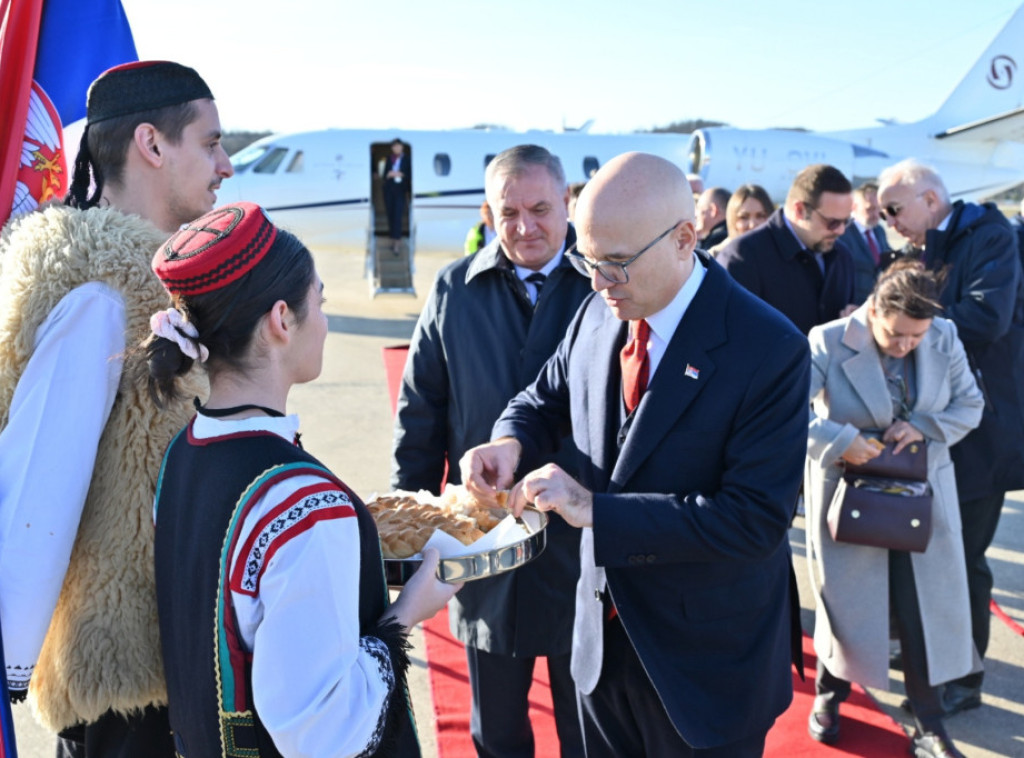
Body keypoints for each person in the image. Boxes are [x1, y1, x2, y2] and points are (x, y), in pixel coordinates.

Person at [462, 152, 810, 757]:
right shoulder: (600, 309)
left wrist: (595, 509)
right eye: (588, 261)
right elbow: (544, 397)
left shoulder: (770, 348)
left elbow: (753, 520)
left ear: (684, 239)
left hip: (701, 665)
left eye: (616, 264)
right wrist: (508, 441)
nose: (598, 282)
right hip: (600, 645)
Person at [146, 202, 457, 757]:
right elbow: (322, 735)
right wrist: (408, 611)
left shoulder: (182, 454)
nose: (327, 321)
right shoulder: (308, 507)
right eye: (321, 301)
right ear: (282, 320)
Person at [0, 60, 233, 756]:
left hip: (179, 674)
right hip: (125, 700)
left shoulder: (156, 287)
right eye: (211, 141)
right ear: (152, 146)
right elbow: (37, 482)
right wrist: (8, 664)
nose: (225, 163)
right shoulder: (100, 299)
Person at [391, 145, 588, 758]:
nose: (525, 226)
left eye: (540, 209)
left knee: (589, 724)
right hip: (484, 546)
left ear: (566, 205)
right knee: (497, 730)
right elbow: (421, 414)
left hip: (584, 547)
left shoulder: (603, 288)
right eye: (509, 212)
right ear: (487, 211)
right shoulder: (455, 289)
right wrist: (408, 530)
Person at [804, 260, 983, 758]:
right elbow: (784, 412)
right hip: (849, 492)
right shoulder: (828, 338)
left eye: (916, 336)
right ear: (874, 310)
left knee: (921, 607)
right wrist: (842, 439)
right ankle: (828, 695)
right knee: (845, 604)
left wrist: (923, 425)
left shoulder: (943, 336)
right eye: (897, 334)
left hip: (921, 494)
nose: (906, 345)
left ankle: (927, 720)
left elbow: (970, 405)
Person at [878, 159, 1024, 716]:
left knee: (964, 560)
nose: (888, 220)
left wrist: (897, 324)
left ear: (931, 200)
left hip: (983, 436)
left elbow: (987, 318)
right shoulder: (930, 248)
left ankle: (963, 675)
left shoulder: (988, 237)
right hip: (939, 433)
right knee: (930, 553)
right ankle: (932, 655)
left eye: (894, 209)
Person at [716, 163, 857, 335]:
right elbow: (727, 336)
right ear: (799, 210)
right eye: (832, 222)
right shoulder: (743, 256)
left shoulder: (841, 256)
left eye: (846, 221)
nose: (841, 230)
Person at [840, 181, 892, 304]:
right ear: (854, 207)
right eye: (870, 209)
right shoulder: (843, 234)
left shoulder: (879, 231)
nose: (876, 215)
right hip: (852, 307)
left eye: (879, 210)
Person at [707, 184, 774, 256]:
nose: (752, 225)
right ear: (733, 220)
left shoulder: (781, 255)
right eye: (744, 217)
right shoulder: (715, 257)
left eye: (760, 216)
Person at [383, 138, 410, 252]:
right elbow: (385, 174)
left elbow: (409, 174)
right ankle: (392, 240)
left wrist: (400, 174)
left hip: (400, 190)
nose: (396, 148)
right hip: (389, 190)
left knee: (397, 216)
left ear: (402, 147)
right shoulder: (389, 159)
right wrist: (390, 174)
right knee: (390, 215)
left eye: (398, 146)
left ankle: (396, 244)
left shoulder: (407, 159)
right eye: (394, 146)